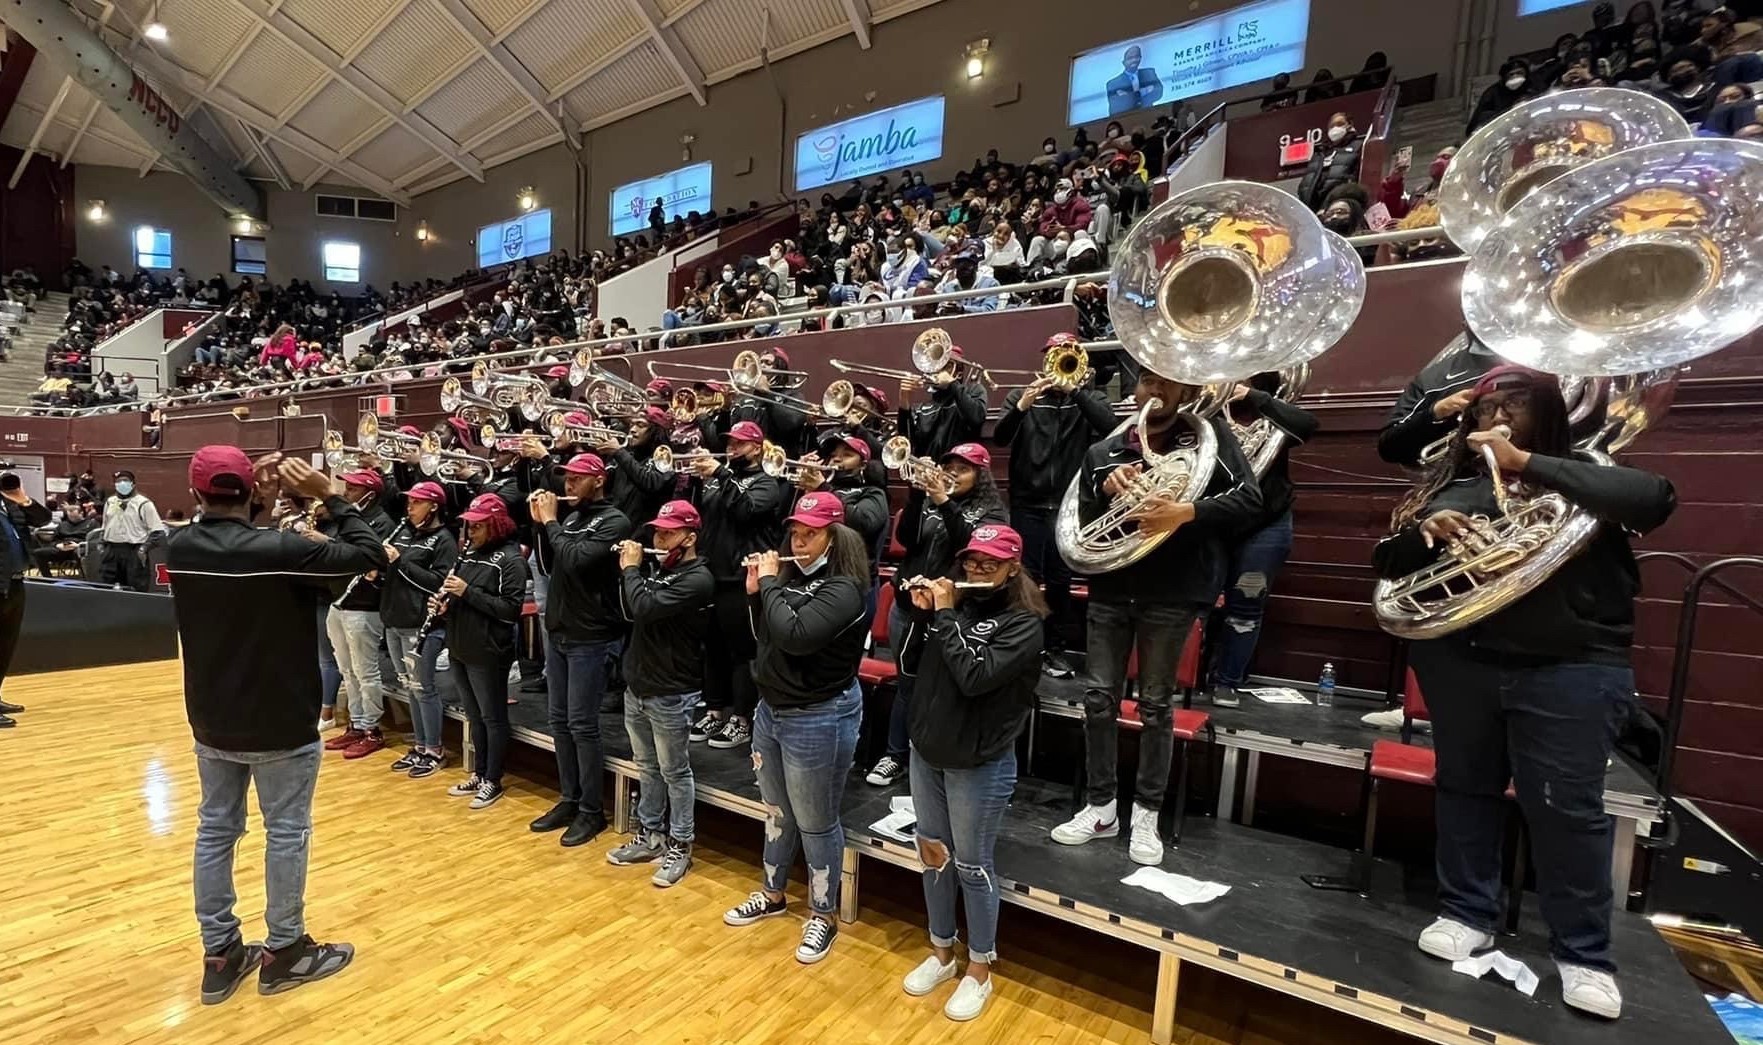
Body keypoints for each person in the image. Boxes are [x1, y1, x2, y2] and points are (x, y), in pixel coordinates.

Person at [1371, 366, 1676, 1020]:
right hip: (1463, 659)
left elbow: (1654, 499)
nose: (1495, 420)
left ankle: (1583, 951)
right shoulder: (1450, 487)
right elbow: (1386, 565)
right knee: (1464, 788)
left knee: (1565, 807)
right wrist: (1425, 531)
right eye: (1484, 411)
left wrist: (1528, 463)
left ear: (1546, 415)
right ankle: (1466, 910)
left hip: (1570, 666)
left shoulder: (1583, 472)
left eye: (1513, 407)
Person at [166, 448, 379, 1003]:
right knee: (285, 833)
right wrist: (329, 494)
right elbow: (367, 553)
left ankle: (221, 955)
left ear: (195, 495)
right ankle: (285, 952)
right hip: (281, 722)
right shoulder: (281, 549)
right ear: (250, 493)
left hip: (212, 720)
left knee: (215, 832)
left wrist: (258, 502)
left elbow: (230, 538)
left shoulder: (179, 547)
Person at [1050, 369, 1261, 865]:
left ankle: (1146, 812)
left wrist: (1185, 512)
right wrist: (1105, 491)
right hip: (1110, 589)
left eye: (1170, 384)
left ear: (1188, 393)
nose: (1158, 392)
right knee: (1098, 699)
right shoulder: (1104, 452)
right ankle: (1101, 807)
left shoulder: (1209, 439)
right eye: (1148, 382)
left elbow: (1250, 500)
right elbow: (1077, 528)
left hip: (1172, 591)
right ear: (1134, 390)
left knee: (1156, 706)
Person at [896, 524, 1046, 1022]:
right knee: (933, 854)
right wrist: (918, 616)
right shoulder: (953, 611)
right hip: (928, 752)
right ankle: (942, 953)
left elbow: (976, 676)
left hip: (978, 763)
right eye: (971, 560)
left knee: (972, 867)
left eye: (989, 561)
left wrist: (943, 615)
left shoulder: (1024, 623)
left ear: (1012, 566)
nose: (977, 568)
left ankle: (980, 968)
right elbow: (910, 669)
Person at [721, 494, 869, 964]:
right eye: (795, 533)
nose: (799, 542)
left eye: (810, 533)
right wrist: (754, 593)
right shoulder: (786, 579)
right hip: (773, 711)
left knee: (816, 821)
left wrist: (767, 585)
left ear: (834, 536)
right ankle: (773, 892)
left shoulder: (845, 588)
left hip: (818, 715)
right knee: (776, 812)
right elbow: (764, 636)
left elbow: (797, 637)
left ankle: (823, 916)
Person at [867, 441, 1006, 787]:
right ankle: (895, 755)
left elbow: (968, 549)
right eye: (950, 466)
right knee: (907, 682)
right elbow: (907, 539)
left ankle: (929, 760)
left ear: (981, 474)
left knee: (940, 688)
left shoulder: (991, 512)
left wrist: (944, 502)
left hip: (951, 610)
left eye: (963, 468)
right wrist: (917, 496)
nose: (953, 473)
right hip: (908, 605)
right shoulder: (928, 500)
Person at [990, 335, 1119, 678]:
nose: (1059, 363)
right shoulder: (1023, 396)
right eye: (1053, 356)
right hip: (1027, 502)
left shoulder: (1090, 399)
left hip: (1067, 504)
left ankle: (1055, 648)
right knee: (1025, 577)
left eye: (1066, 356)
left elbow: (1110, 427)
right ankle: (1025, 643)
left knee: (1060, 581)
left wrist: (1076, 390)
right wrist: (1021, 408)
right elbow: (999, 438)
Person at [607, 500, 715, 886]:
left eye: (668, 532)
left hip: (672, 690)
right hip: (639, 684)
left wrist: (631, 569)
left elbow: (644, 608)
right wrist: (630, 570)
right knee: (647, 767)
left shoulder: (698, 578)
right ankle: (651, 834)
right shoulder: (658, 571)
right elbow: (628, 610)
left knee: (674, 771)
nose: (658, 537)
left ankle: (680, 844)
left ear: (690, 537)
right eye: (657, 531)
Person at [528, 455, 634, 847]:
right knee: (558, 721)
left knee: (582, 725)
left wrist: (552, 521)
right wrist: (540, 526)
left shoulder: (614, 521)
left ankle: (592, 810)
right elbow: (549, 564)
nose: (568, 485)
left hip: (591, 637)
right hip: (560, 633)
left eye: (577, 479)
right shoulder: (571, 517)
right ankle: (569, 798)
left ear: (599, 481)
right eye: (566, 478)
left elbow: (575, 560)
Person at [1204, 376, 1319, 707]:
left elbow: (1308, 426)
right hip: (1214, 521)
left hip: (1266, 525)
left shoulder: (1270, 405)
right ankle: (1183, 678)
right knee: (1195, 602)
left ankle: (1228, 681)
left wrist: (1255, 397)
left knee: (1246, 606)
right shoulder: (1206, 407)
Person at [687, 420, 786, 749]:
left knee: (742, 650)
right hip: (712, 573)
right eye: (729, 442)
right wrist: (700, 481)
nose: (731, 448)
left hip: (741, 577)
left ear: (756, 448)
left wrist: (719, 474)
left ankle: (741, 718)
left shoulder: (767, 482)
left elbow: (745, 512)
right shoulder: (719, 480)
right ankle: (715, 710)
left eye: (739, 444)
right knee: (712, 647)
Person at [438, 493, 529, 810]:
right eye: (468, 526)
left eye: (476, 527)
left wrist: (467, 592)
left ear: (494, 525)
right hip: (461, 644)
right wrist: (443, 608)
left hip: (489, 649)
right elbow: (460, 601)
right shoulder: (469, 555)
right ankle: (479, 773)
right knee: (473, 715)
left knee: (492, 717)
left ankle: (493, 778)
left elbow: (509, 611)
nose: (469, 533)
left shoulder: (511, 560)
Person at [379, 481, 457, 779]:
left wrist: (399, 563)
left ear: (434, 506)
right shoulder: (405, 533)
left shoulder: (444, 540)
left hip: (420, 623)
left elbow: (437, 583)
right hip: (394, 619)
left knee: (424, 688)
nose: (409, 507)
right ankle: (420, 744)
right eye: (408, 502)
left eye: (416, 502)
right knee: (408, 686)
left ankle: (434, 750)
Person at [321, 469, 398, 760]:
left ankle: (372, 729)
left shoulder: (382, 523)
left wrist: (329, 545)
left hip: (364, 605)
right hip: (339, 600)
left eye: (352, 488)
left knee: (366, 671)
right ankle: (355, 723)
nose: (346, 493)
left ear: (369, 493)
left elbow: (369, 559)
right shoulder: (348, 520)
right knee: (347, 670)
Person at [897, 344, 987, 461]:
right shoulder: (922, 408)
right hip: (928, 472)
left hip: (959, 469)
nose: (938, 370)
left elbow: (976, 418)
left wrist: (952, 384)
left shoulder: (973, 391)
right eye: (935, 366)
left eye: (946, 366)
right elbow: (907, 440)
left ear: (959, 372)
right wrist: (904, 399)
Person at [99, 469, 164, 591]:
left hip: (133, 550)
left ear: (133, 484)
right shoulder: (109, 501)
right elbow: (104, 525)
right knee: (107, 586)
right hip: (111, 550)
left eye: (125, 480)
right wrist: (101, 545)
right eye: (118, 481)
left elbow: (157, 532)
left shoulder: (144, 503)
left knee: (136, 587)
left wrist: (143, 549)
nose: (122, 483)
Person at [1297, 113, 1364, 210]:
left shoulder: (1358, 146)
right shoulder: (1320, 152)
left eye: (1340, 124)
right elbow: (1308, 180)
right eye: (1331, 126)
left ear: (1349, 125)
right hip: (1314, 207)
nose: (1335, 128)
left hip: (1340, 205)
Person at [1469, 59, 1537, 134]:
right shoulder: (1492, 93)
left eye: (1519, 73)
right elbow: (1478, 122)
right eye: (1511, 74)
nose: (1515, 77)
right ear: (1504, 77)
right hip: (1501, 131)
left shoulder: (1534, 86)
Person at [32, 498, 94, 577]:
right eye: (70, 516)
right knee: (38, 552)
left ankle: (85, 577)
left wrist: (78, 545)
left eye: (74, 516)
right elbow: (54, 539)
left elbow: (93, 541)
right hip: (62, 547)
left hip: (79, 547)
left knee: (80, 553)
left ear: (81, 513)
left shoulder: (90, 524)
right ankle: (48, 578)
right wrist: (57, 545)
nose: (71, 518)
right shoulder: (63, 525)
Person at [1106, 44, 1163, 117]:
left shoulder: (1149, 73)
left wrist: (1129, 95)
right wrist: (1145, 91)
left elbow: (1159, 93)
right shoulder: (1113, 84)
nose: (1134, 60)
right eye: (1130, 58)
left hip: (1149, 115)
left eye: (1137, 57)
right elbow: (1117, 108)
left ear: (1140, 58)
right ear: (1123, 62)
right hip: (1126, 119)